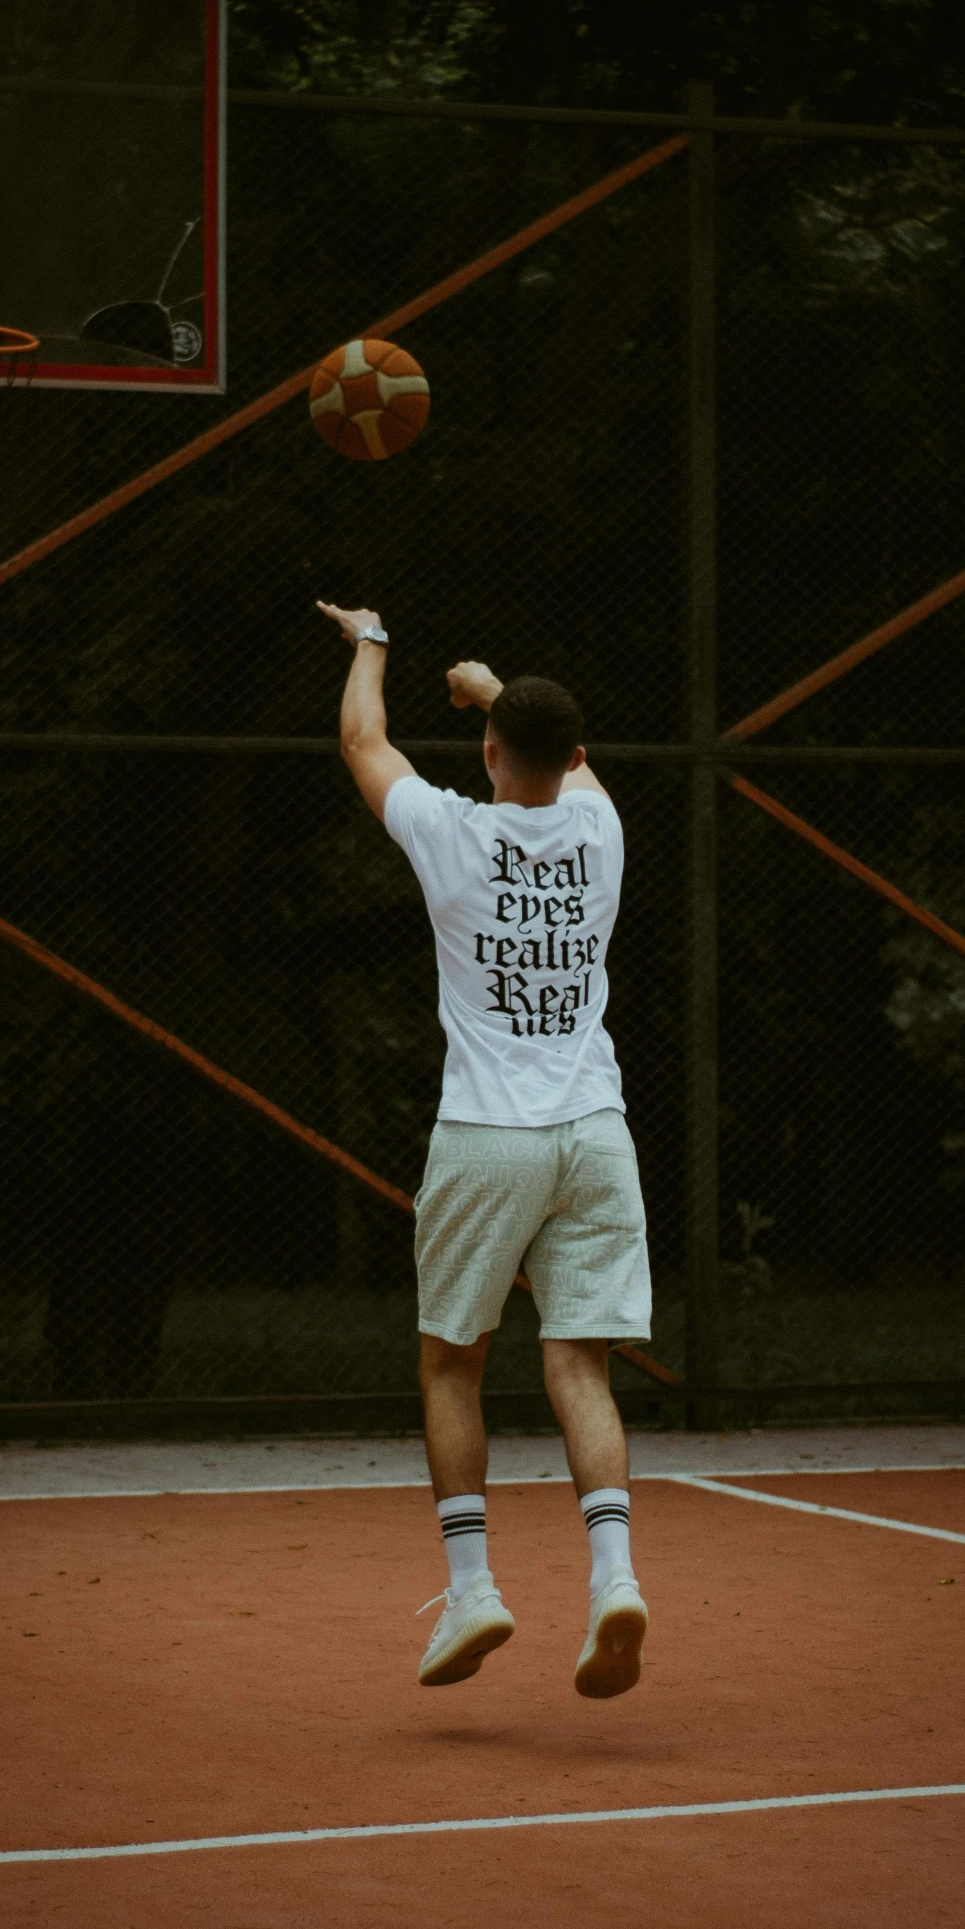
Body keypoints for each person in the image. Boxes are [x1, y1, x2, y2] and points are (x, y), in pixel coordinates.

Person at [317, 601, 653, 1699]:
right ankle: (612, 1581)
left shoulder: (455, 833)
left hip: (487, 1135)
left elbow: (363, 742)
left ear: (488, 753)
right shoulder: (600, 828)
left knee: (452, 1362)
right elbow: (571, 755)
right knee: (579, 1364)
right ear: (568, 756)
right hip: (596, 1135)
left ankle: (473, 1591)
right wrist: (496, 686)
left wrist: (371, 637)